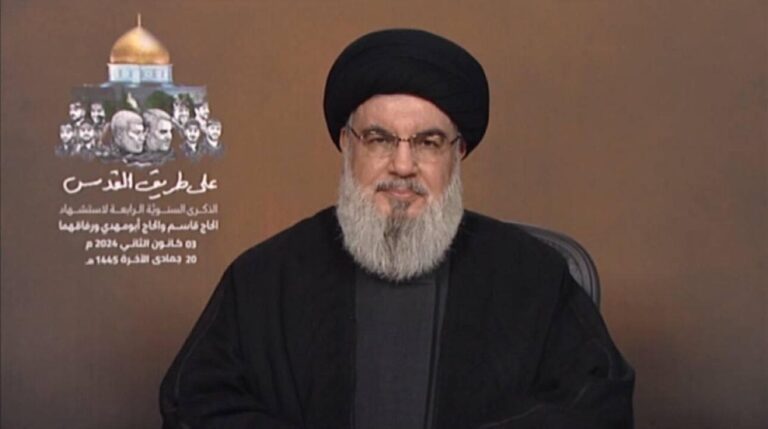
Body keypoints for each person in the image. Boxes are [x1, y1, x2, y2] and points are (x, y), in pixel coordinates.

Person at [160, 29, 634, 429]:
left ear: (457, 153)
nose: (403, 165)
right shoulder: (265, 279)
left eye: (428, 142)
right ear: (347, 145)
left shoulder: (533, 277)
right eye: (379, 139)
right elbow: (195, 404)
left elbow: (598, 406)